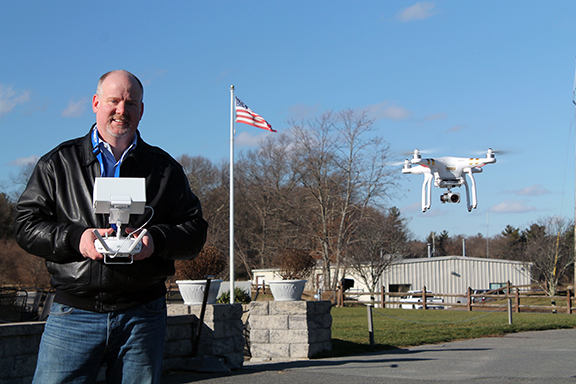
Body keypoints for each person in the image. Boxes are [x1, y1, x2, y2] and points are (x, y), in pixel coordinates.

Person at [13, 70, 208, 384]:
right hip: (74, 314)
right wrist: (78, 239)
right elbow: (25, 225)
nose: (122, 110)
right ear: (95, 103)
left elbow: (195, 231)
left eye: (131, 103)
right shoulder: (59, 164)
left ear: (141, 111)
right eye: (114, 101)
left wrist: (155, 241)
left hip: (142, 315)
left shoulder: (165, 169)